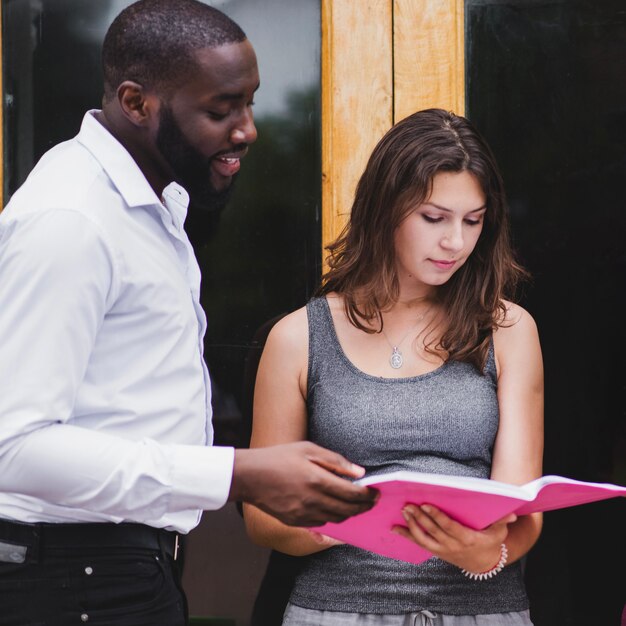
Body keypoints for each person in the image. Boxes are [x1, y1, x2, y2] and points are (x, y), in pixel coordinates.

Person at [0, 1, 376, 624]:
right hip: (74, 583)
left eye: (251, 102)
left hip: (122, 572)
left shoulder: (149, 204)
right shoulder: (70, 220)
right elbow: (13, 447)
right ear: (137, 102)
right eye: (220, 110)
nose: (248, 129)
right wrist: (238, 473)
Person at [244, 108, 544, 625]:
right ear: (385, 209)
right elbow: (262, 516)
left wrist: (485, 556)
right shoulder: (297, 337)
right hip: (336, 613)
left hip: (482, 612)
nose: (455, 242)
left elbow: (522, 511)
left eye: (473, 221)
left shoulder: (509, 328)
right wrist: (350, 520)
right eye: (434, 218)